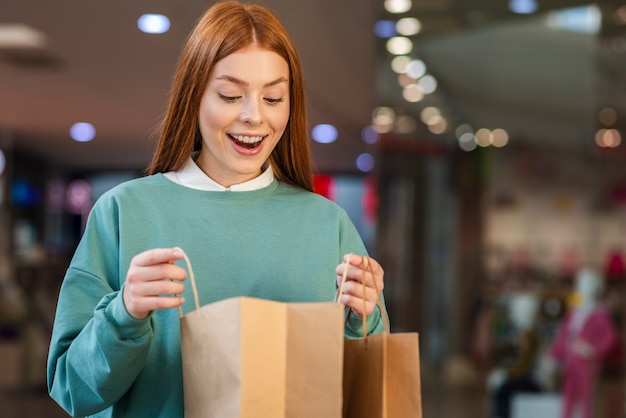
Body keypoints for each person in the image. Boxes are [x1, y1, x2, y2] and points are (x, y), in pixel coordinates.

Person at [46, 1, 388, 416]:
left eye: (274, 97)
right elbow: (71, 389)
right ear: (194, 96)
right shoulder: (124, 212)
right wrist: (124, 314)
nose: (254, 116)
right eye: (230, 95)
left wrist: (363, 322)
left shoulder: (327, 224)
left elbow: (367, 393)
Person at [549, 267, 618, 418]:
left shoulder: (599, 314)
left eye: (587, 285)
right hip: (570, 359)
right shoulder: (575, 311)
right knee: (568, 396)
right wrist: (555, 354)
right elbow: (564, 334)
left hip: (586, 362)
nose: (583, 288)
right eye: (581, 284)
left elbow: (610, 338)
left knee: (587, 398)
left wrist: (594, 349)